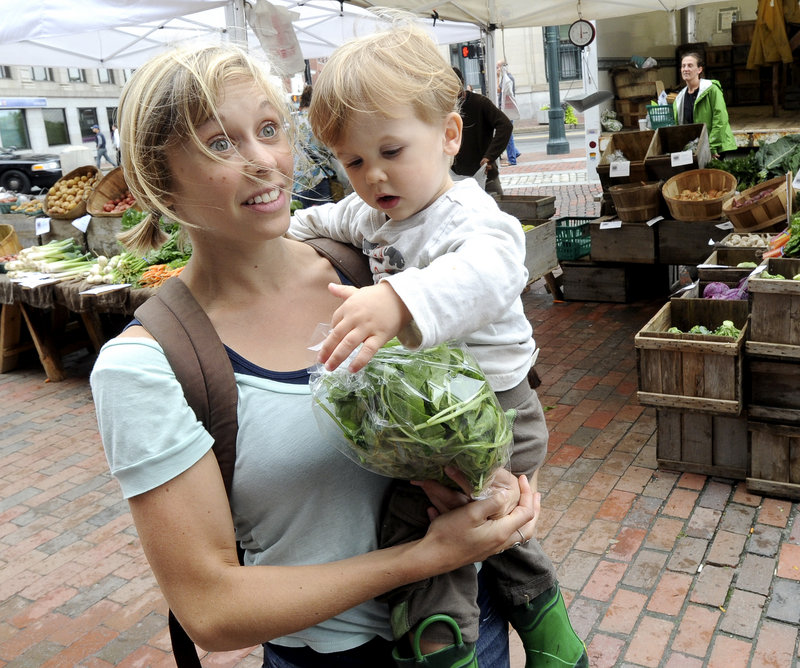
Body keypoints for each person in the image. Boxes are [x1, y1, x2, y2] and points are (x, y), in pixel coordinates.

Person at [89, 44, 537, 668]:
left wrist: (504, 488)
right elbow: (212, 611)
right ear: (159, 180)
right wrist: (427, 556)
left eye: (269, 130)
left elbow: (485, 368)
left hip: (470, 627)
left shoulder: (369, 262)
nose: (264, 162)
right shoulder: (150, 363)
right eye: (221, 142)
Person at [288, 22, 587, 668]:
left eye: (391, 150)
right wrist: (277, 238)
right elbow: (316, 219)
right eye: (355, 161)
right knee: (485, 520)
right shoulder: (373, 214)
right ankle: (549, 632)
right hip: (440, 418)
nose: (373, 176)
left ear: (450, 135)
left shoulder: (471, 216)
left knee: (422, 517)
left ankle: (441, 646)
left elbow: (491, 270)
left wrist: (400, 301)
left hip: (499, 410)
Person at [451, 67, 512, 197]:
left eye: (453, 86)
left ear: (461, 83)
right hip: (456, 179)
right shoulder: (442, 109)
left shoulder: (479, 103)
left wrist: (490, 156)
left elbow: (505, 125)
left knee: (497, 210)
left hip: (485, 175)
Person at [672, 52, 737, 159]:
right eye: (683, 66)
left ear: (699, 70)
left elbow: (720, 119)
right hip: (694, 148)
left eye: (690, 65)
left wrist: (711, 147)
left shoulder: (711, 89)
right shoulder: (679, 98)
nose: (685, 69)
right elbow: (680, 127)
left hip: (714, 148)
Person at [292, 84, 346, 208]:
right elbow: (331, 149)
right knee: (326, 222)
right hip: (318, 180)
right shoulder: (317, 121)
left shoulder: (293, 122)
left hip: (297, 184)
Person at [497, 60, 521, 166]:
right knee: (506, 133)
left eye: (497, 67)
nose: (497, 70)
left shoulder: (507, 78)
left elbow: (498, 90)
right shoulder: (507, 77)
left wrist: (497, 77)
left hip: (507, 111)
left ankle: (512, 159)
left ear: (502, 67)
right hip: (506, 110)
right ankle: (515, 152)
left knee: (507, 134)